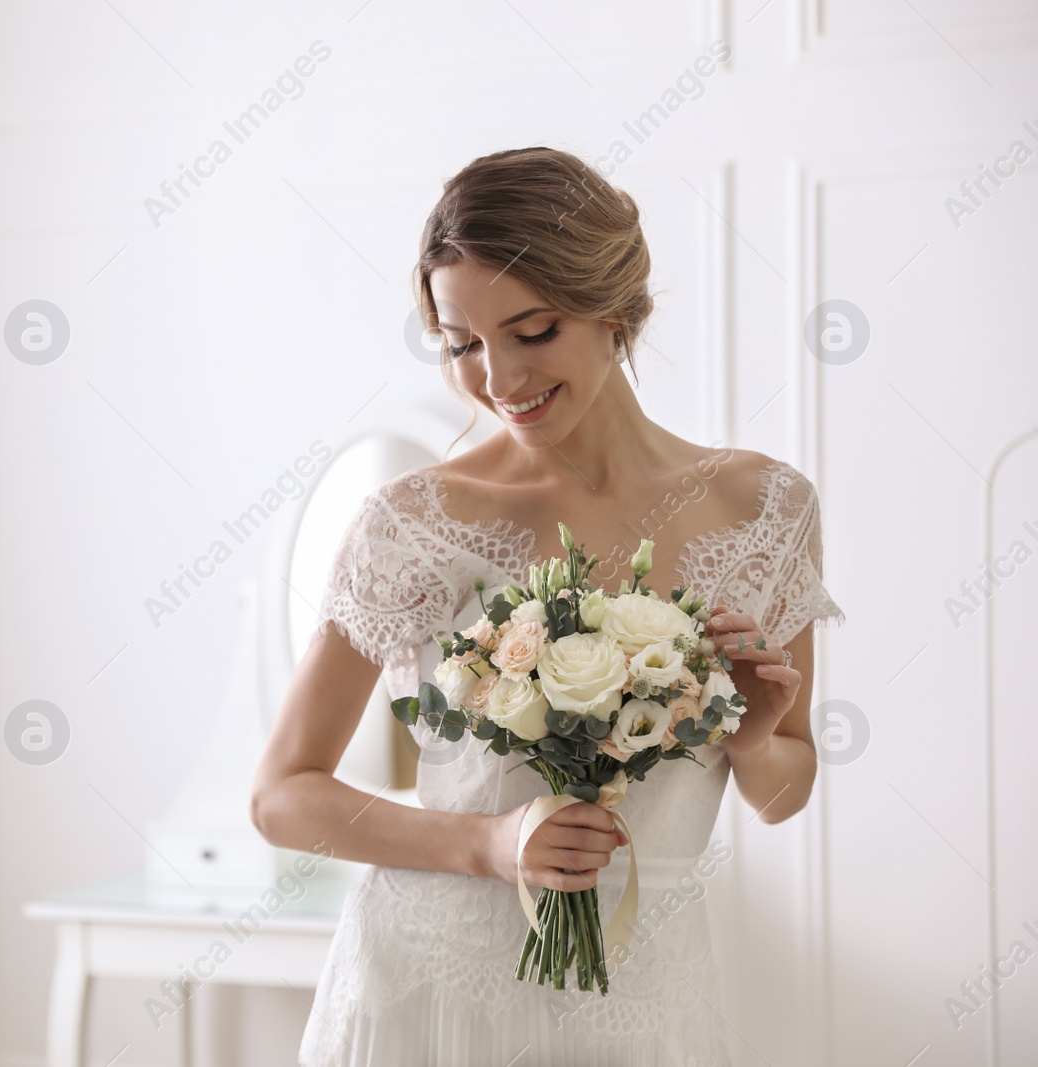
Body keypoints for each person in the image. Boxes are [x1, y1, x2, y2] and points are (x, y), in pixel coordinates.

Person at [249, 146, 846, 1066]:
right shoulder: (414, 520)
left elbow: (782, 791)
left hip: (647, 992)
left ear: (619, 310)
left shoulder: (767, 510)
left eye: (532, 330)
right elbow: (283, 795)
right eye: (460, 344)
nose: (497, 378)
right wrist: (490, 842)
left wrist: (753, 735)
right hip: (430, 993)